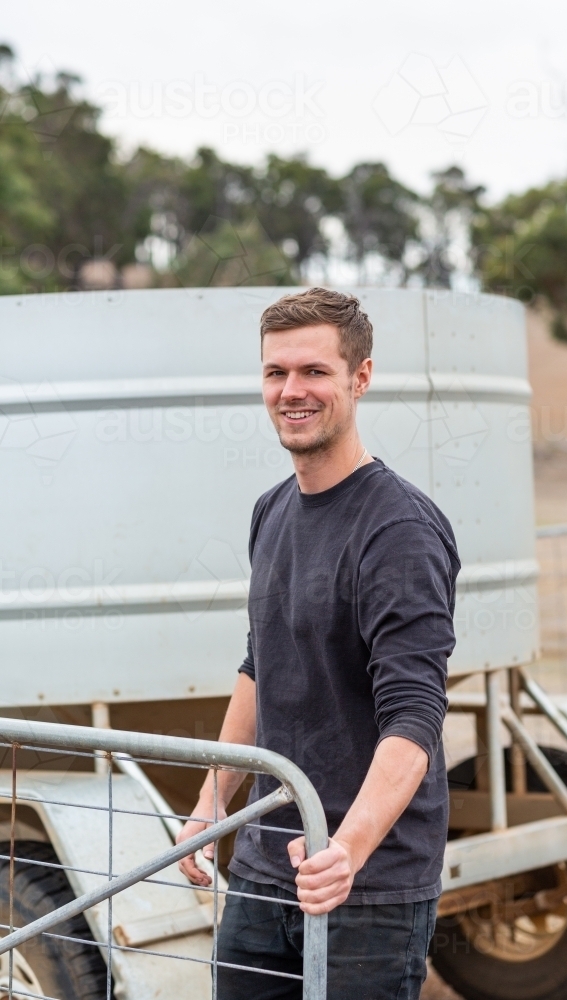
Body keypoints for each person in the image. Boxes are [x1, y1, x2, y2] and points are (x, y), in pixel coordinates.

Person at [177, 287, 459, 999]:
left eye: (313, 372)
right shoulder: (271, 511)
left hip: (365, 887)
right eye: (276, 373)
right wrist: (214, 804)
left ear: (359, 379)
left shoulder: (398, 533)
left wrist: (347, 849)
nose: (290, 391)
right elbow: (260, 663)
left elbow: (414, 715)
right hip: (264, 869)